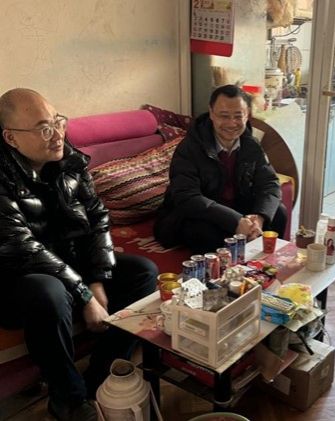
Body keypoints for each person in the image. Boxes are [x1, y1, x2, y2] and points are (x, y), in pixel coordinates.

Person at [0, 89, 158, 421]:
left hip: (65, 265)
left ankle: (96, 379)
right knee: (49, 291)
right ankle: (68, 400)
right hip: (15, 277)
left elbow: (97, 217)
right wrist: (84, 293)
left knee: (143, 273)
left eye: (58, 121)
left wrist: (97, 278)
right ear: (10, 138)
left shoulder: (68, 159)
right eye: (44, 128)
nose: (57, 134)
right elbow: (22, 248)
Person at [154, 84, 287, 253]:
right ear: (211, 113)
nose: (231, 123)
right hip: (196, 214)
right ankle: (222, 269)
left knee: (278, 213)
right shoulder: (190, 148)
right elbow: (187, 197)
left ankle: (265, 264)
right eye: (224, 116)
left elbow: (269, 183)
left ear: (247, 115)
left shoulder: (250, 144)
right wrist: (235, 221)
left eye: (238, 116)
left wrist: (259, 217)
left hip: (236, 208)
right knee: (204, 232)